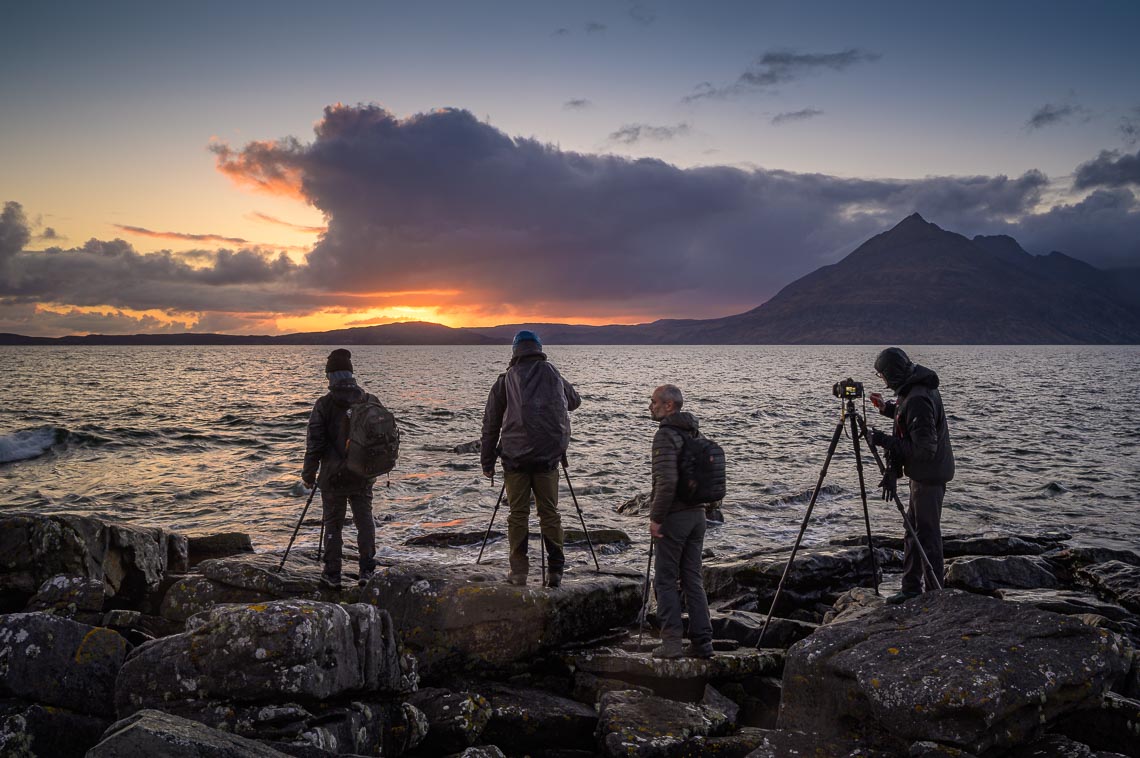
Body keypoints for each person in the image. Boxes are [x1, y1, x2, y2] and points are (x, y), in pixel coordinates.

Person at [480, 331, 581, 587]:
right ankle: (556, 570)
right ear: (538, 348)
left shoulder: (504, 381)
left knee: (517, 514)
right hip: (548, 459)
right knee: (549, 513)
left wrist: (487, 461)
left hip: (515, 461)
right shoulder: (553, 374)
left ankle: (519, 572)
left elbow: (490, 424)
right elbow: (574, 402)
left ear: (515, 351)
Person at [869, 347, 955, 605]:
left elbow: (923, 450)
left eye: (883, 375)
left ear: (893, 372)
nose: (883, 381)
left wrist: (884, 440)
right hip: (925, 476)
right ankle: (911, 588)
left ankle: (934, 594)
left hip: (929, 476)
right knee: (913, 531)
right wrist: (887, 409)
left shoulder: (918, 397)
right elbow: (910, 418)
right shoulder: (915, 388)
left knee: (926, 535)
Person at [302, 348, 380, 589]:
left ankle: (332, 573)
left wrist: (308, 472)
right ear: (351, 374)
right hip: (363, 473)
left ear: (331, 376)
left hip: (332, 476)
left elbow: (315, 442)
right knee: (364, 521)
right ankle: (367, 571)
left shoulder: (324, 404)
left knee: (333, 523)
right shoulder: (369, 400)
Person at [647, 384, 713, 659]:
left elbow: (667, 482)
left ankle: (672, 642)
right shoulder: (695, 433)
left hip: (675, 517)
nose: (650, 406)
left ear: (669, 406)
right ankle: (703, 642)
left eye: (654, 402)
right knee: (692, 578)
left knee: (664, 580)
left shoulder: (665, 436)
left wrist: (656, 518)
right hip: (698, 515)